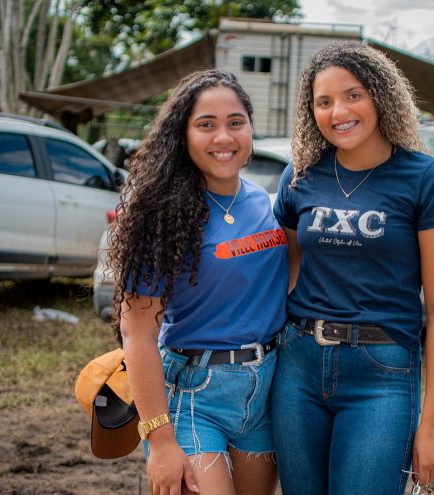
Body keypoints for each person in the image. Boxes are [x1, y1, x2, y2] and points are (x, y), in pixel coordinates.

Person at [271, 41, 434, 494]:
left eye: (353, 94)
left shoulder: (426, 178)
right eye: (324, 101)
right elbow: (283, 270)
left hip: (382, 372)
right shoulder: (300, 175)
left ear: (381, 95)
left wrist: (433, 424)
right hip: (298, 366)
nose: (339, 110)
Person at [108, 69, 287, 495]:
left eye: (235, 123)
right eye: (206, 124)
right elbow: (137, 331)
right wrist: (160, 438)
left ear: (250, 128)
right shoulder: (161, 215)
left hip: (265, 392)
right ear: (183, 134)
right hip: (194, 394)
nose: (223, 137)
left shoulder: (262, 200)